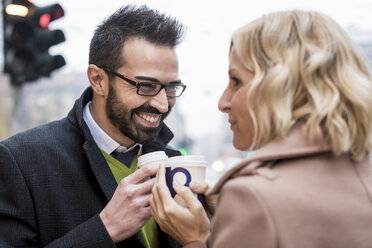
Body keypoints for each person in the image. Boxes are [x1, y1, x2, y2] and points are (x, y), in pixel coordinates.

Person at [150, 9, 372, 248]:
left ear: (283, 87)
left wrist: (195, 240)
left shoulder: (253, 198)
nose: (223, 103)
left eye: (236, 81)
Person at [0, 5, 186, 248]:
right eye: (146, 86)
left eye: (171, 87)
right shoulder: (20, 161)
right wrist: (105, 228)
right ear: (98, 80)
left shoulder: (173, 161)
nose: (163, 104)